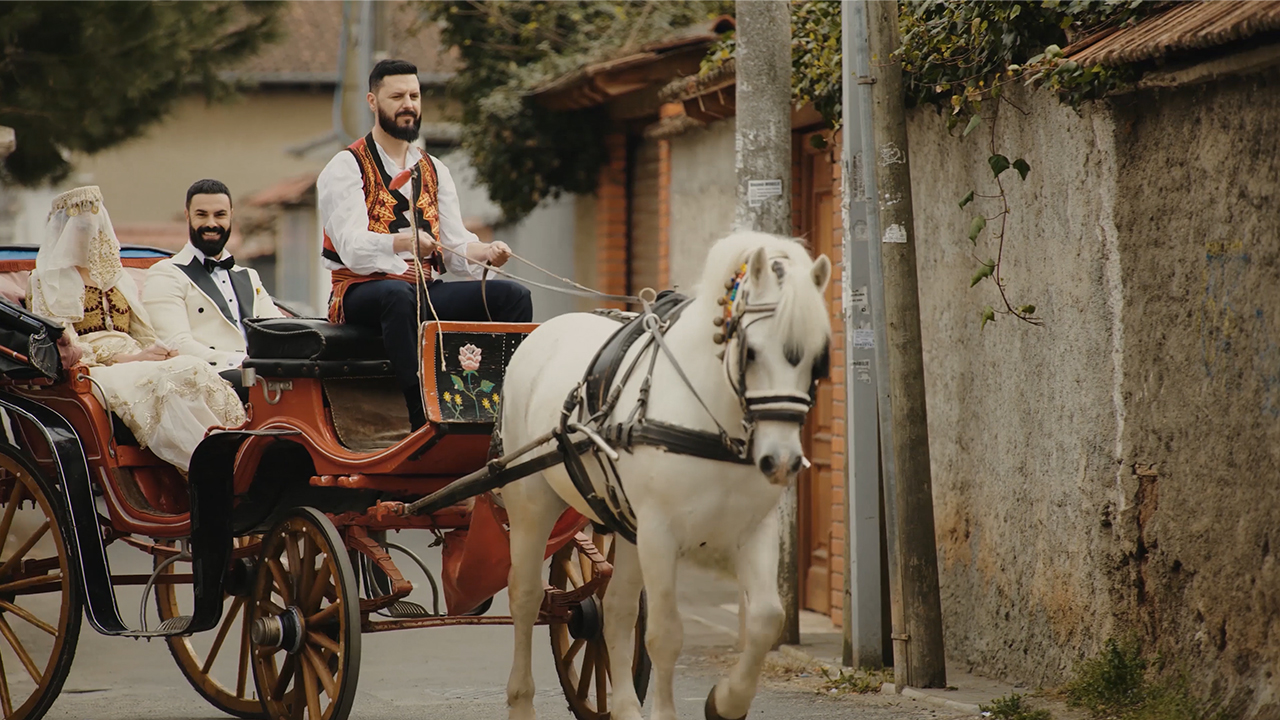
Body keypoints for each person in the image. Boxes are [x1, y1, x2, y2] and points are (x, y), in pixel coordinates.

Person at [317, 58, 532, 429]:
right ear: (373, 101)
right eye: (397, 95)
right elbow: (351, 246)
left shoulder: (434, 169)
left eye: (414, 95)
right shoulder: (347, 165)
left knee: (513, 297)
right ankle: (423, 417)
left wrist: (488, 253)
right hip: (361, 290)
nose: (408, 104)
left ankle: (501, 412)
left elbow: (456, 243)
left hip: (423, 292)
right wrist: (405, 241)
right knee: (397, 297)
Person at [28, 186, 246, 471]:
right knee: (171, 377)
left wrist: (156, 351)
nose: (87, 234)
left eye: (93, 225)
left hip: (136, 357)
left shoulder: (116, 278)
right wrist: (132, 359)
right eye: (78, 227)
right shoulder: (46, 280)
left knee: (192, 367)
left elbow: (142, 331)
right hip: (95, 369)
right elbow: (64, 346)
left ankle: (235, 452)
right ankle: (205, 467)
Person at [143, 179, 284, 400]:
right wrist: (240, 363)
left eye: (219, 215)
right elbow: (175, 344)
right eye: (201, 215)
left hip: (257, 373)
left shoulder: (249, 276)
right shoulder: (165, 273)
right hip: (208, 377)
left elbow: (277, 330)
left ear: (230, 216)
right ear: (188, 216)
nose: (211, 223)